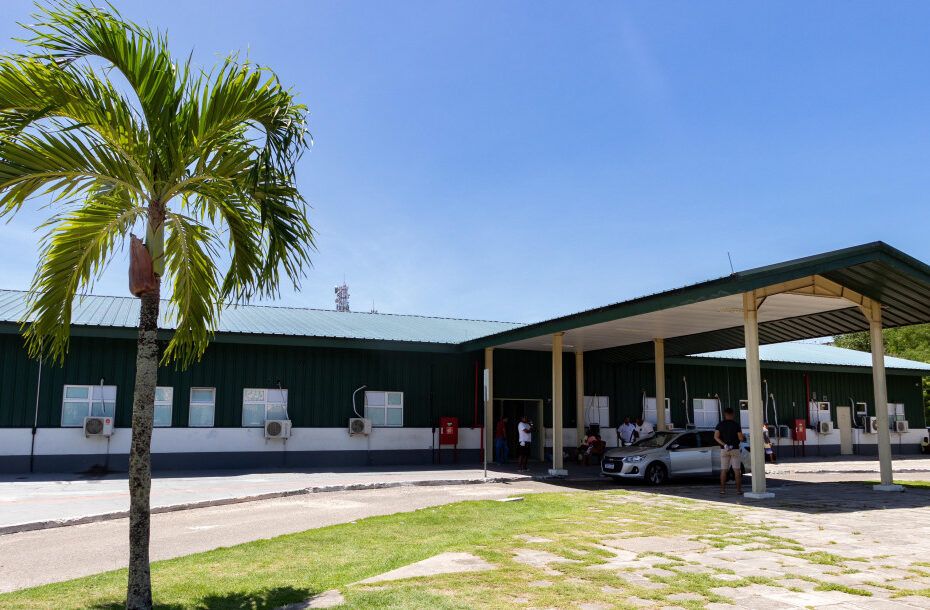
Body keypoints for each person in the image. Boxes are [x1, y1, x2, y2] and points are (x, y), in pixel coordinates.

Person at [714, 407, 745, 495]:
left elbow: (716, 437)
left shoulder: (720, 424)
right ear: (732, 414)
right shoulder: (736, 425)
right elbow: (740, 438)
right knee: (737, 470)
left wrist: (724, 444)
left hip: (724, 449)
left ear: (725, 414)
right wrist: (743, 438)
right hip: (735, 449)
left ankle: (722, 490)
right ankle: (738, 490)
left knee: (724, 470)